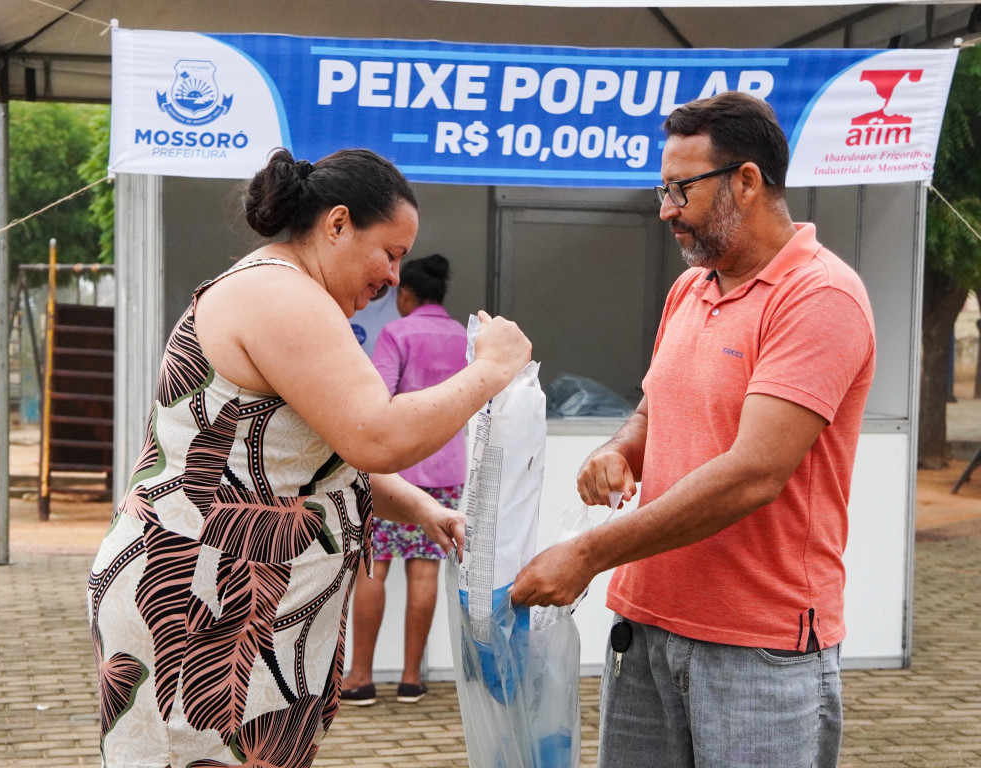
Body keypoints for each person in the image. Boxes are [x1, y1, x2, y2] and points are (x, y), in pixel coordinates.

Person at [86, 147, 531, 768]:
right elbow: (376, 437)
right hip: (206, 600)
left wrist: (425, 508)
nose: (394, 277)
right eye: (391, 253)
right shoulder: (280, 294)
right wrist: (491, 369)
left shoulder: (288, 291)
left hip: (239, 597)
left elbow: (313, 463)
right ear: (338, 223)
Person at [510, 91, 876, 768]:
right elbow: (656, 406)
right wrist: (620, 448)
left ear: (746, 180)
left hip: (756, 648)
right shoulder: (692, 288)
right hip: (646, 627)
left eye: (681, 189)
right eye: (661, 188)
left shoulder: (818, 296)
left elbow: (753, 474)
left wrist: (589, 554)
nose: (665, 209)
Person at [340, 253, 468, 706]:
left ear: (407, 295)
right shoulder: (463, 336)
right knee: (426, 570)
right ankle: (412, 679)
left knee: (374, 566)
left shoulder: (397, 332)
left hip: (396, 472)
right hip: (448, 470)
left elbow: (380, 400)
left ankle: (359, 677)